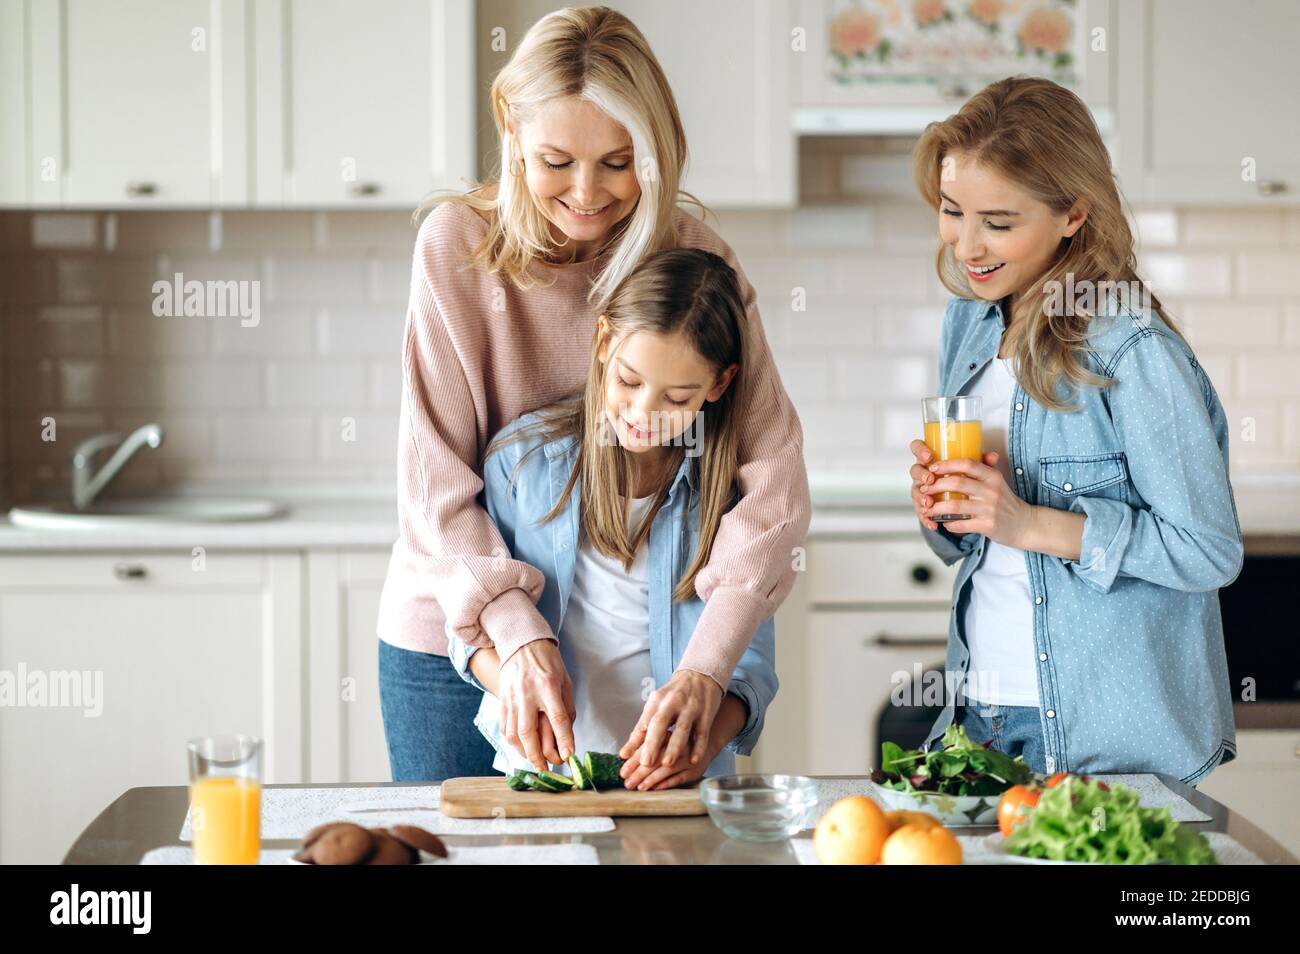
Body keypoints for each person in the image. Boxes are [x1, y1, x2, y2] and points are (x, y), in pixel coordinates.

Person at [377, 6, 808, 782]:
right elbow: (437, 488)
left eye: (618, 162)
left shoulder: (693, 255)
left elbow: (770, 480)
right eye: (556, 161)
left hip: (633, 654)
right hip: (457, 631)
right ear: (511, 127)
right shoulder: (455, 248)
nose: (588, 194)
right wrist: (516, 635)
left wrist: (707, 669)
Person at [907, 77, 1243, 783]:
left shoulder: (1129, 347)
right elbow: (979, 543)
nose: (967, 245)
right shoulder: (969, 320)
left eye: (998, 222)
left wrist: (1029, 522)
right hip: (978, 713)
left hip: (1099, 733)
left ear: (1073, 214)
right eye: (951, 211)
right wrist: (948, 509)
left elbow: (1207, 550)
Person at [449, 248, 777, 789]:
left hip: (680, 787)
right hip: (545, 776)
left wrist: (703, 743)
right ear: (604, 344)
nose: (643, 415)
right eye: (629, 382)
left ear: (719, 386)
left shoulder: (732, 496)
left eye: (677, 397)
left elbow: (752, 666)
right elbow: (469, 633)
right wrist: (513, 675)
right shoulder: (521, 463)